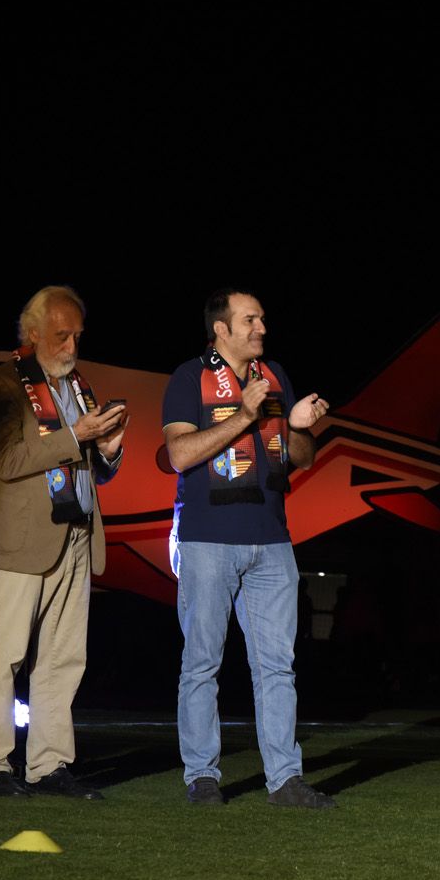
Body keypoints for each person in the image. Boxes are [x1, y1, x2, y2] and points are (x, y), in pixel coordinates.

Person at [161, 288, 334, 808]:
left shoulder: (273, 375)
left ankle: (285, 779)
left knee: (278, 666)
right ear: (221, 329)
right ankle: (202, 777)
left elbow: (301, 457)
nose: (262, 328)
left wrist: (299, 427)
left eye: (261, 319)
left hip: (273, 542)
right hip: (207, 542)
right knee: (202, 664)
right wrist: (243, 414)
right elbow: (178, 454)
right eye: (250, 320)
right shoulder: (189, 377)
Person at [0, 286, 126, 798]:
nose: (71, 346)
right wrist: (76, 435)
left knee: (63, 658)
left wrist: (108, 449)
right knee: (5, 655)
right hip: (21, 541)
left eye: (77, 335)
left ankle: (49, 764)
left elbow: (87, 463)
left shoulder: (77, 385)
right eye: (62, 335)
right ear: (32, 333)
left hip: (76, 533)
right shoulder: (1, 384)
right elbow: (6, 462)